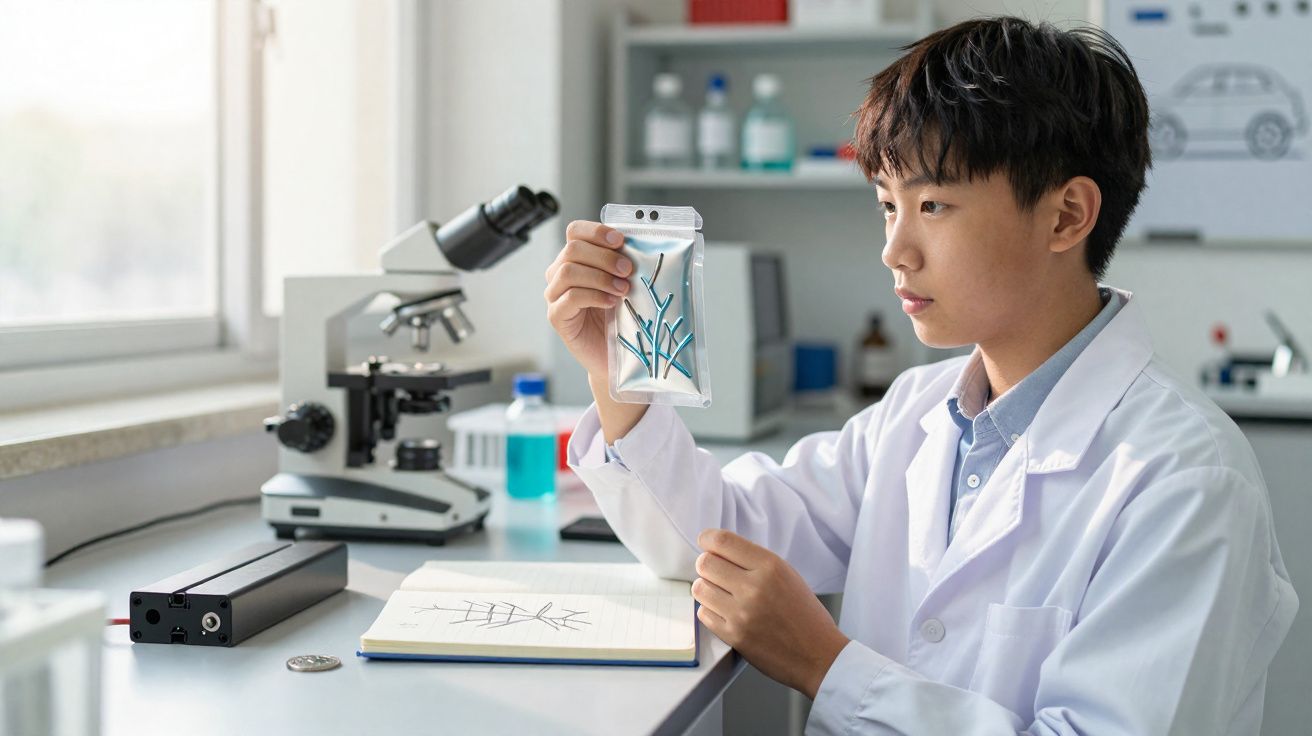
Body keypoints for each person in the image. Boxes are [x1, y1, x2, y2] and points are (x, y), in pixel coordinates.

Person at [542, 16, 1296, 734]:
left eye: (932, 204)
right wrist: (616, 375)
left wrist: (823, 664)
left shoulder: (1184, 479)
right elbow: (718, 539)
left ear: (1067, 216)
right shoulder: (918, 412)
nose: (894, 250)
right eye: (886, 206)